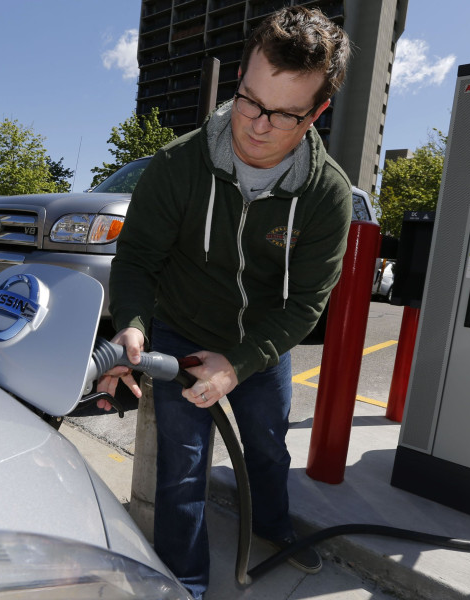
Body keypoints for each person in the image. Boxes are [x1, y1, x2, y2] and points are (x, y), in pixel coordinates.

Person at [97, 7, 351, 599]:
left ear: (317, 113)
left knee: (267, 446)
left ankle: (273, 526)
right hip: (181, 332)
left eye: (285, 114)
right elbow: (135, 260)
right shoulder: (175, 166)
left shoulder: (326, 195)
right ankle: (184, 584)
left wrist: (241, 362)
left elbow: (309, 303)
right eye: (249, 100)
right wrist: (131, 326)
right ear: (240, 77)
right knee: (181, 465)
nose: (258, 125)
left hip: (261, 340)